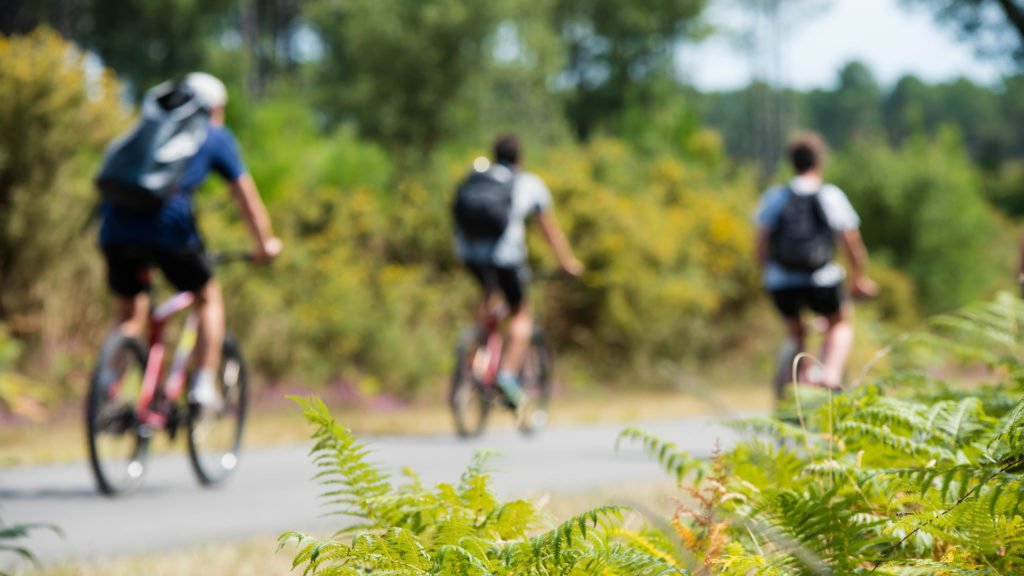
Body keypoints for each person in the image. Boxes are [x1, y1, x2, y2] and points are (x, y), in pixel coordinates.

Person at [98, 72, 282, 412]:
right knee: (208, 297)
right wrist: (265, 244)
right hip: (168, 229)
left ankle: (106, 387)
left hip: (115, 227)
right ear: (214, 107)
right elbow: (247, 202)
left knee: (129, 315)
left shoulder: (147, 129)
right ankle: (202, 385)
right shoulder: (213, 134)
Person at [454, 134, 583, 407]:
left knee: (489, 299)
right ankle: (508, 376)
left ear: (494, 154)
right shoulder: (528, 182)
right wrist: (566, 262)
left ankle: (475, 362)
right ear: (519, 158)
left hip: (469, 254)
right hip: (506, 256)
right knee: (520, 315)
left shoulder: (478, 177)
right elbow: (548, 228)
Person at [755, 131, 877, 391]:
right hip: (821, 279)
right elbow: (852, 245)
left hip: (781, 281)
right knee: (840, 323)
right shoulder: (830, 195)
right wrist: (859, 279)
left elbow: (761, 242)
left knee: (795, 333)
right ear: (820, 161)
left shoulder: (775, 196)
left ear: (792, 162)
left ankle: (792, 390)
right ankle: (829, 376)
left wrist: (767, 275)